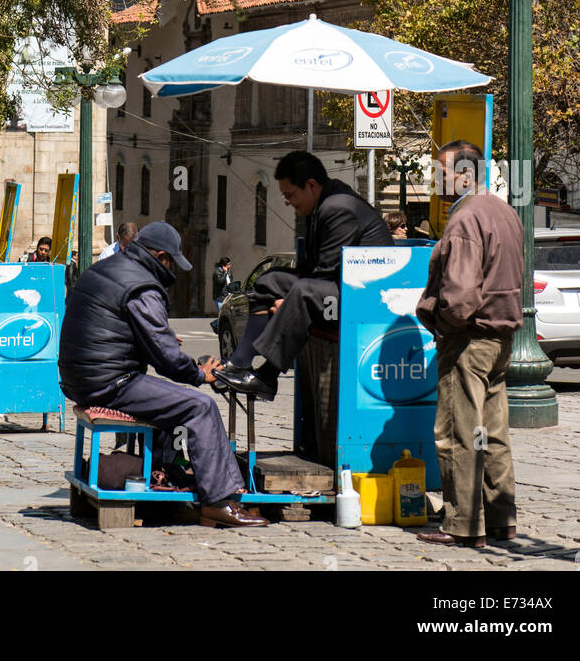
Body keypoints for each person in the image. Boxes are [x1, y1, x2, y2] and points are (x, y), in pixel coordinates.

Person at [58, 220, 266, 528]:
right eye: (171, 262)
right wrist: (200, 375)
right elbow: (166, 357)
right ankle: (219, 501)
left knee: (170, 402)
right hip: (110, 382)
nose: (172, 271)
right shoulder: (142, 284)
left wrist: (175, 353)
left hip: (80, 378)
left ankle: (168, 481)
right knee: (201, 406)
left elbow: (131, 333)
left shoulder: (107, 268)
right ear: (160, 257)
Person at [215, 150, 393, 400]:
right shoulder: (322, 202)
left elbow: (322, 274)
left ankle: (267, 376)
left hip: (364, 297)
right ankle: (240, 362)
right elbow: (310, 268)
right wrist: (282, 295)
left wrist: (288, 305)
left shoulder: (338, 207)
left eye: (290, 195)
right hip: (339, 287)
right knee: (268, 280)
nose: (288, 202)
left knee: (302, 292)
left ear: (311, 185)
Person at [415, 140, 523, 549]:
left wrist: (442, 323)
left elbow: (459, 297)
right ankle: (500, 520)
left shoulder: (465, 218)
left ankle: (462, 524)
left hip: (469, 339)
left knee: (460, 433)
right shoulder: (503, 210)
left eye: (438, 173)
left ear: (461, 174)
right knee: (492, 432)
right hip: (500, 337)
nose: (434, 181)